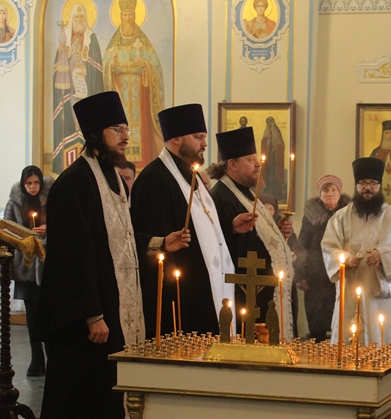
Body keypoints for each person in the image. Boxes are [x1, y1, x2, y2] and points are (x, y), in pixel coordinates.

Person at [27, 91, 174, 419]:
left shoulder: (112, 179)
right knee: (86, 405)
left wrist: (155, 247)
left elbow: (123, 243)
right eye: (118, 130)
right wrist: (93, 313)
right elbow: (75, 255)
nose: (125, 136)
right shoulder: (75, 183)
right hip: (90, 322)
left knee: (110, 406)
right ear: (95, 134)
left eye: (127, 128)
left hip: (119, 313)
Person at [131, 103, 234, 339]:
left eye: (204, 137)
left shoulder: (193, 175)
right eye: (198, 137)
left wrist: (230, 226)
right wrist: (163, 244)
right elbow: (146, 242)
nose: (204, 144)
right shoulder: (153, 180)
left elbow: (202, 233)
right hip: (180, 298)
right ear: (176, 139)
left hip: (204, 290)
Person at [208, 126, 294, 339]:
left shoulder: (245, 193)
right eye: (250, 159)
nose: (258, 164)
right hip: (245, 295)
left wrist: (280, 234)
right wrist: (231, 228)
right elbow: (215, 247)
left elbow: (256, 238)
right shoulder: (219, 196)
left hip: (261, 292)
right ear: (232, 164)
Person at [321, 157, 391, 348]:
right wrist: (346, 259)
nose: (368, 188)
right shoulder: (340, 217)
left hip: (383, 297)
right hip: (350, 291)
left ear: (380, 186)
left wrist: (384, 255)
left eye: (373, 183)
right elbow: (329, 247)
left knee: (383, 346)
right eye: (363, 183)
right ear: (356, 186)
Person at [102, 0, 165, 169]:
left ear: (135, 16)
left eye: (130, 15)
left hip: (139, 96)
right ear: (121, 17)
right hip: (121, 93)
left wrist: (144, 64)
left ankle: (143, 163)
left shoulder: (142, 41)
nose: (128, 18)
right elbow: (106, 65)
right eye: (125, 15)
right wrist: (112, 65)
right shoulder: (114, 44)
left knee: (140, 130)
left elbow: (155, 66)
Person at [3, 166, 53, 377]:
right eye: (28, 183)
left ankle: (52, 357)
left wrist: (47, 229)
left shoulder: (51, 198)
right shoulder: (15, 202)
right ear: (23, 185)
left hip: (46, 261)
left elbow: (63, 223)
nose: (32, 188)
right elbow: (6, 229)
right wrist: (24, 235)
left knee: (49, 312)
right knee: (31, 315)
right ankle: (36, 358)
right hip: (26, 265)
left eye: (36, 183)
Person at [296, 175, 351, 342]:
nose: (330, 193)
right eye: (326, 190)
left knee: (342, 318)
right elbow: (302, 245)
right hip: (316, 276)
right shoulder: (312, 217)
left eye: (334, 190)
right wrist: (301, 275)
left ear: (340, 193)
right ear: (319, 194)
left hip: (342, 273)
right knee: (318, 321)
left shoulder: (348, 215)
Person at [51, 4, 104, 173]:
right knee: (71, 124)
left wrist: (84, 69)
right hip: (70, 93)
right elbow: (57, 72)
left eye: (82, 17)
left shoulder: (91, 39)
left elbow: (97, 70)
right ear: (71, 20)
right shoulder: (64, 41)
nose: (79, 21)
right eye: (76, 17)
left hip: (87, 92)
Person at [259, 192, 305, 337]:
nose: (268, 211)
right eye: (264, 208)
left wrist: (293, 255)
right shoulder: (257, 226)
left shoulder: (284, 228)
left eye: (271, 208)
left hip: (285, 280)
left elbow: (297, 248)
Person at [260, 116, 286, 199]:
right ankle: (267, 190)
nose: (269, 124)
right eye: (268, 122)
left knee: (274, 174)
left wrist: (276, 148)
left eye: (270, 122)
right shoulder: (266, 132)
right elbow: (263, 142)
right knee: (267, 174)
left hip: (275, 157)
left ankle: (276, 192)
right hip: (267, 157)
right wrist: (267, 138)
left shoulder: (276, 131)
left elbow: (280, 144)